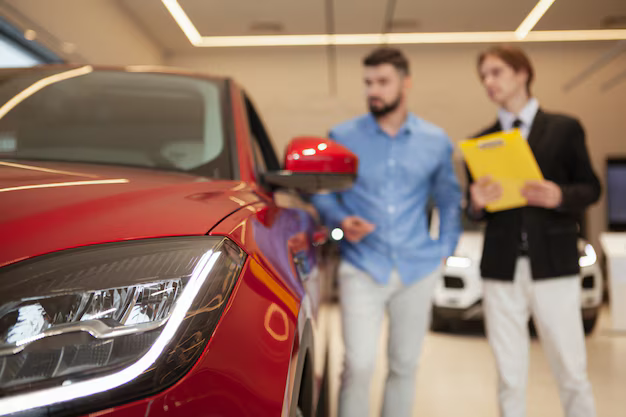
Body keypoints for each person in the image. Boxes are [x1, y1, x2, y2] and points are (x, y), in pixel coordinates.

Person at [311, 47, 461, 417]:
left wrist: (444, 248)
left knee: (403, 367)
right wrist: (341, 221)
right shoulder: (342, 135)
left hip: (417, 269)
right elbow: (323, 192)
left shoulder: (435, 140)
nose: (373, 90)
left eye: (382, 82)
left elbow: (449, 199)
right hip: (363, 265)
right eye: (367, 83)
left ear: (405, 84)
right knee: (358, 366)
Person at [468, 45, 601, 417]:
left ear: (522, 73)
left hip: (554, 264)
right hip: (501, 266)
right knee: (509, 375)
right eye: (483, 77)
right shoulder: (481, 141)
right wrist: (475, 203)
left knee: (571, 370)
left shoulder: (564, 129)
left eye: (495, 73)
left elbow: (591, 188)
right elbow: (475, 210)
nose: (488, 82)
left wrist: (560, 195)